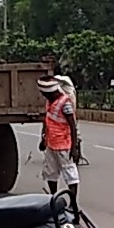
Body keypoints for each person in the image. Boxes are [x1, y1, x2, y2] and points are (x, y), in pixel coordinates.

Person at [38, 75, 82, 218]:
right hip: (51, 144)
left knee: (70, 175)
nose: (43, 96)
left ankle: (73, 204)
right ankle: (53, 200)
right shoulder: (49, 102)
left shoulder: (65, 103)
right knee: (51, 173)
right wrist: (43, 138)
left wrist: (74, 148)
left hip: (64, 145)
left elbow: (72, 126)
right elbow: (47, 120)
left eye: (44, 93)